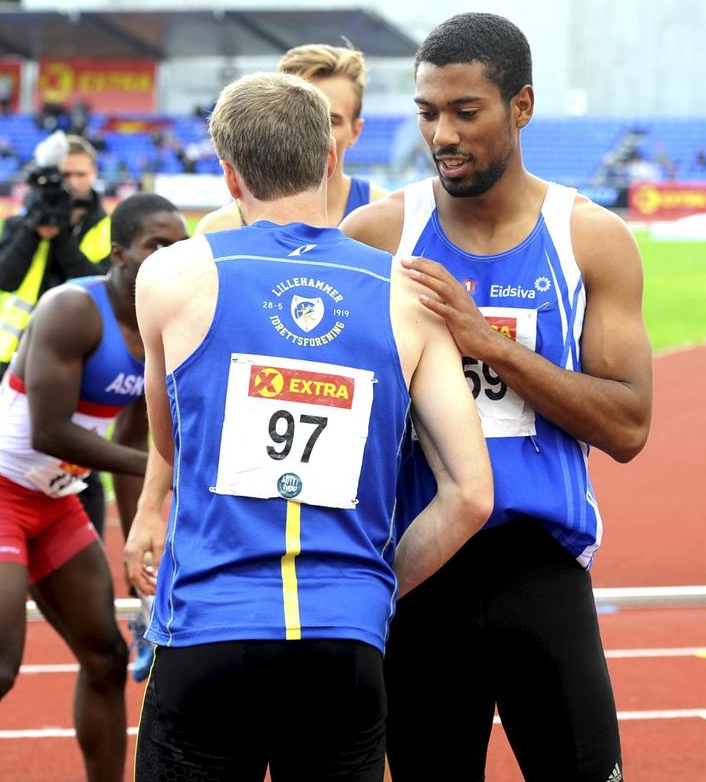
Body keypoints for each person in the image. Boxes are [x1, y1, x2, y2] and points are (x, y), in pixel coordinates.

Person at [129, 71, 493, 781]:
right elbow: (471, 494)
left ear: (229, 176)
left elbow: (170, 439)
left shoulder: (172, 276)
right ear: (330, 160)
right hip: (345, 636)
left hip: (210, 625)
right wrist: (375, 585)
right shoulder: (407, 295)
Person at [340, 12, 653, 782]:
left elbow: (629, 424)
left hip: (540, 572)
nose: (442, 133)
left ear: (521, 107)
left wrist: (490, 346)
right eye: (427, 113)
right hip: (417, 575)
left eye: (465, 111)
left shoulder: (588, 238)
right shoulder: (377, 236)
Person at [0, 194, 188, 782]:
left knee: (107, 660)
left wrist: (143, 530)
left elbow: (133, 446)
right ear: (118, 253)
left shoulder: (157, 325)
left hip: (57, 504)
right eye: (156, 246)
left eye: (179, 247)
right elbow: (51, 431)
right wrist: (163, 471)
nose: (170, 258)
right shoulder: (72, 309)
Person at [0, 133, 113, 533]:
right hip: (18, 356)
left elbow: (96, 283)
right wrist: (34, 229)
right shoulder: (22, 220)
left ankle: (83, 545)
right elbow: (4, 278)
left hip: (82, 362)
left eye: (79, 174)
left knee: (80, 466)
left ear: (94, 174)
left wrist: (59, 237)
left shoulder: (107, 229)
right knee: (11, 459)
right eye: (63, 174)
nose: (71, 182)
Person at [195, 43, 387, 234]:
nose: (314, 130)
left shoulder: (388, 221)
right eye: (300, 117)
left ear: (355, 131)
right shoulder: (221, 228)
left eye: (331, 121)